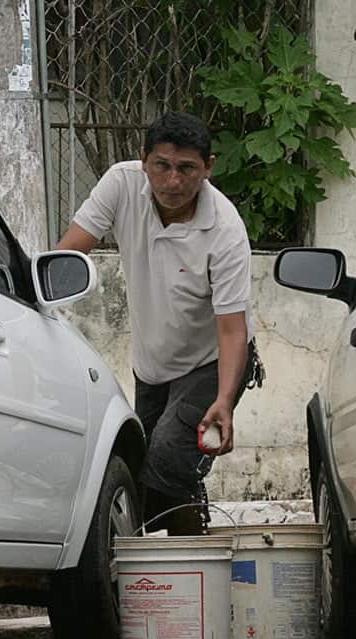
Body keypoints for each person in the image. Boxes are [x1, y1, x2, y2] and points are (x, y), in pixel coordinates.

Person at [57, 112, 260, 535]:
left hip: (211, 363)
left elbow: (232, 329)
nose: (172, 181)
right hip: (152, 367)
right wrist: (39, 298)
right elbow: (69, 254)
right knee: (142, 473)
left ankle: (187, 561)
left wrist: (224, 400)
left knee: (168, 456)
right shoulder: (121, 183)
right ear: (143, 160)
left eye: (186, 168)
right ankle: (177, 555)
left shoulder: (225, 230)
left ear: (208, 167)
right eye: (162, 166)